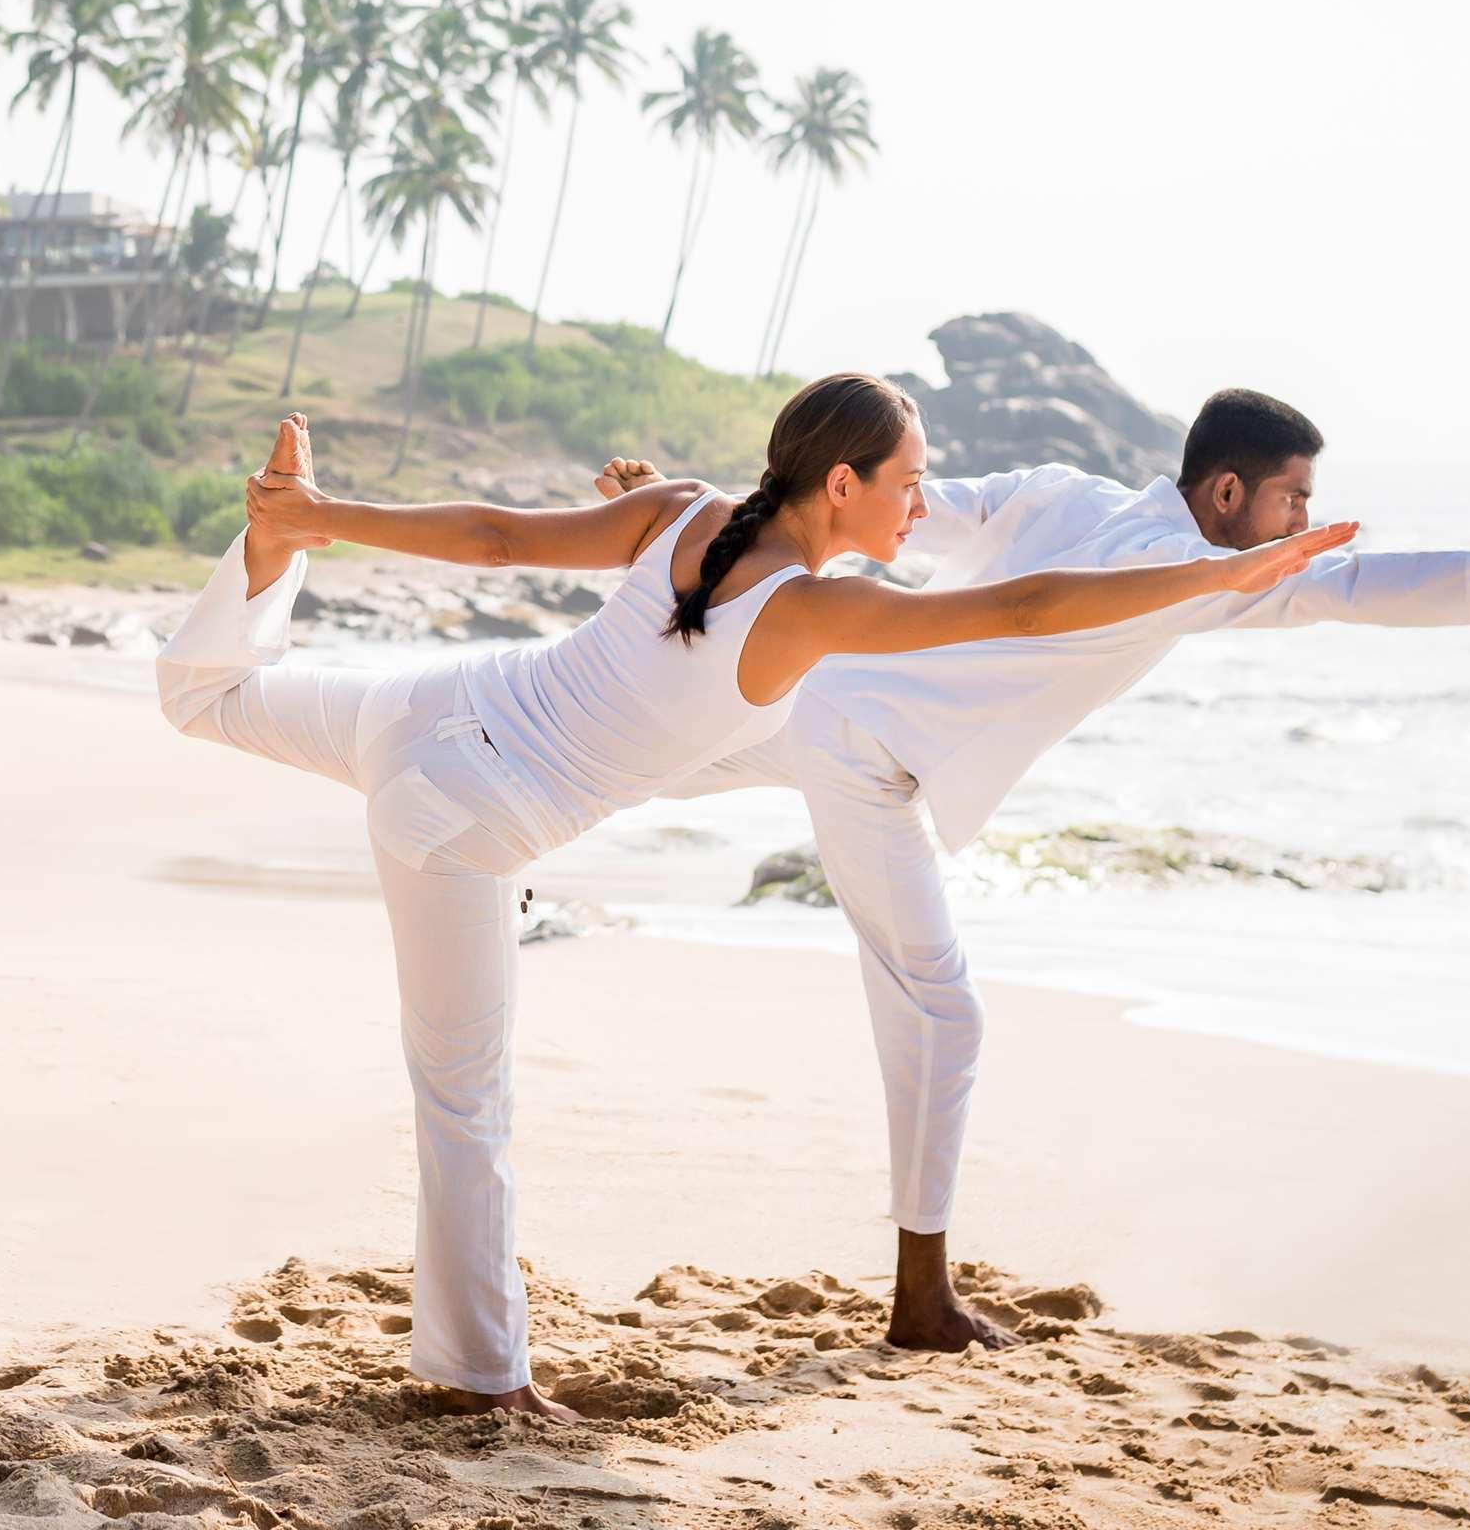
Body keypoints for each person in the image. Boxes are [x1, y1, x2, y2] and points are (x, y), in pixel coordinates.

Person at [159, 374, 1359, 1419]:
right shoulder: (814, 606)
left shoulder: (678, 507)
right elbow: (1025, 608)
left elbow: (491, 538)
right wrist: (1219, 575)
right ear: (842, 483)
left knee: (202, 696)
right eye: (909, 478)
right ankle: (482, 1372)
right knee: (465, 1103)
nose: (921, 500)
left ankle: (269, 545)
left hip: (425, 704)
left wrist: (320, 519)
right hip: (460, 820)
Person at [608, 385, 1470, 1350]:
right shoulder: (1206, 573)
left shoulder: (1067, 489)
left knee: (650, 752)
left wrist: (705, 508)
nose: (1308, 518)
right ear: (1230, 492)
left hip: (820, 697)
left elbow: (873, 502)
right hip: (861, 749)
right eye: (1295, 496)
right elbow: (1371, 586)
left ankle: (508, 803)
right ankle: (922, 1299)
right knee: (943, 1014)